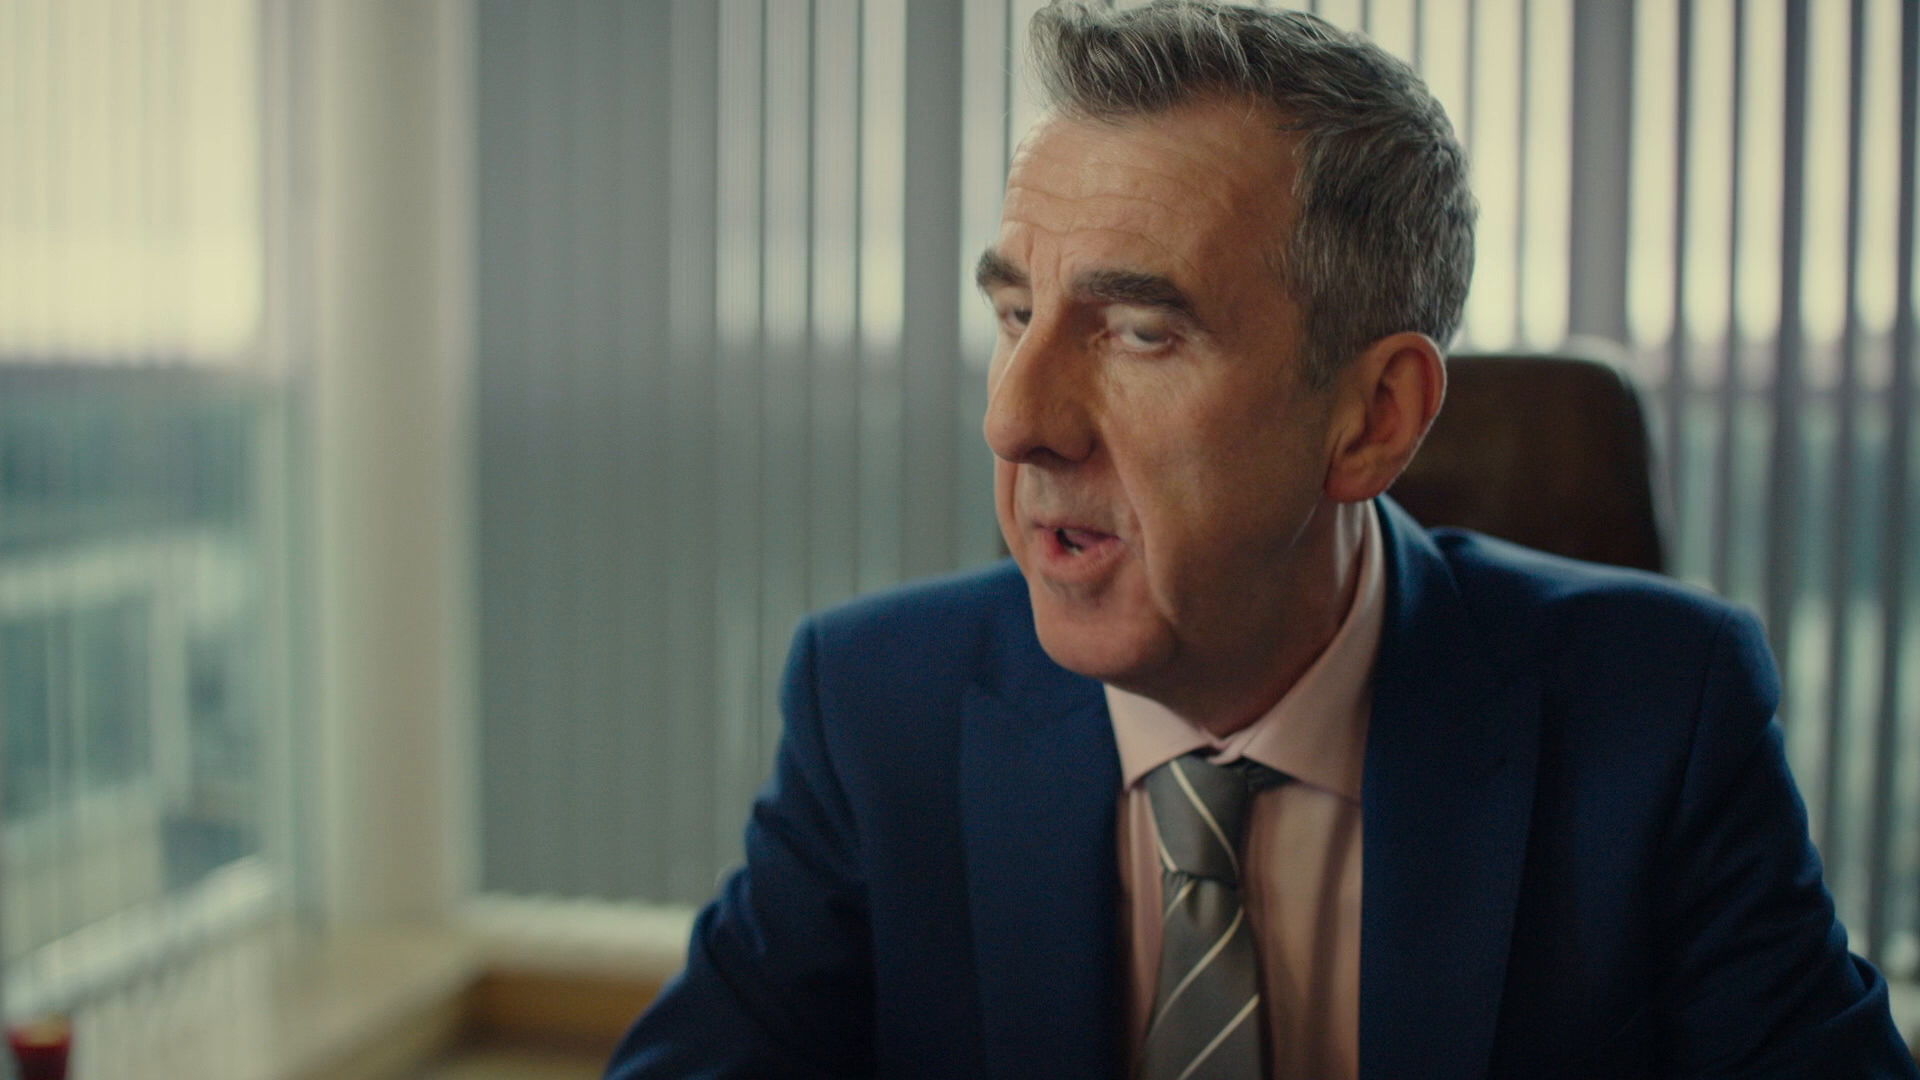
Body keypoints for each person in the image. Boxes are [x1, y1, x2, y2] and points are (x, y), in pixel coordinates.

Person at [607, 3, 1918, 1077]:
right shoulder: (877, 708)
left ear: (1372, 418)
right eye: (1014, 316)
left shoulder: (1660, 716)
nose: (1015, 421)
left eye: (1139, 331)